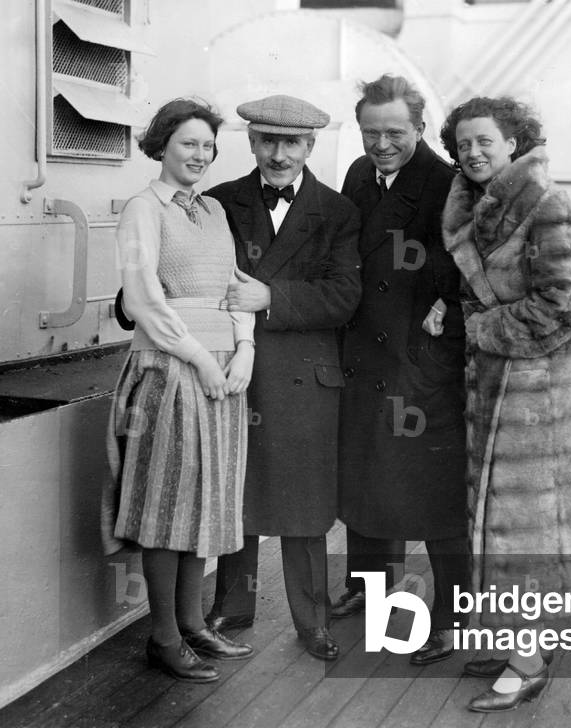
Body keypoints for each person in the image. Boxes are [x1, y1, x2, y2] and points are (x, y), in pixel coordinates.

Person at [438, 96, 571, 712]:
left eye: (485, 140)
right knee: (498, 527)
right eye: (463, 144)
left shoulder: (547, 205)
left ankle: (528, 664)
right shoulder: (480, 208)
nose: (473, 152)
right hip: (501, 390)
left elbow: (563, 306)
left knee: (529, 534)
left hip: (540, 399)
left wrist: (479, 330)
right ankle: (517, 644)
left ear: (515, 142)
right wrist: (464, 315)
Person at [101, 98, 256, 684]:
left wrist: (245, 349)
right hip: (170, 368)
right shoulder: (143, 209)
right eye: (189, 143)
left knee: (208, 497)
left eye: (208, 145)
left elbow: (236, 288)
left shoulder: (213, 210)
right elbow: (141, 299)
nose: (200, 154)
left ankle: (193, 624)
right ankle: (163, 637)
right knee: (169, 504)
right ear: (162, 144)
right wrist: (200, 359)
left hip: (223, 369)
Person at [204, 94, 362, 661]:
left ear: (310, 146)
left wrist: (271, 296)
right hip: (235, 366)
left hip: (305, 378)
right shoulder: (219, 203)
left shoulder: (338, 213)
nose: (277, 154)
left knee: (305, 506)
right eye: (267, 140)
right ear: (250, 142)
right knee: (238, 493)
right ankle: (233, 607)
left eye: (290, 142)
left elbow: (345, 297)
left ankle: (312, 621)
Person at [333, 74, 469, 665]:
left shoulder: (450, 184)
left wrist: (447, 311)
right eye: (370, 132)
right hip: (366, 356)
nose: (381, 144)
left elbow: (476, 267)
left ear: (419, 127)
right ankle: (367, 591)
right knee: (366, 477)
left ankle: (455, 618)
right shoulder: (360, 176)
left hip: (421, 362)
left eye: (394, 132)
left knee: (436, 497)